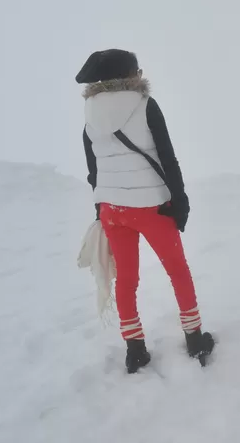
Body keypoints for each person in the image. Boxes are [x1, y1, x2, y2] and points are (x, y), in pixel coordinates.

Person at [75, 48, 214, 373]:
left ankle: (135, 349)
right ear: (129, 75)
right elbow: (167, 156)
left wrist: (101, 209)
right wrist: (179, 199)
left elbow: (93, 170)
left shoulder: (89, 114)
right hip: (151, 207)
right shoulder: (144, 105)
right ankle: (195, 339)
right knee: (177, 270)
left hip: (112, 210)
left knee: (127, 279)